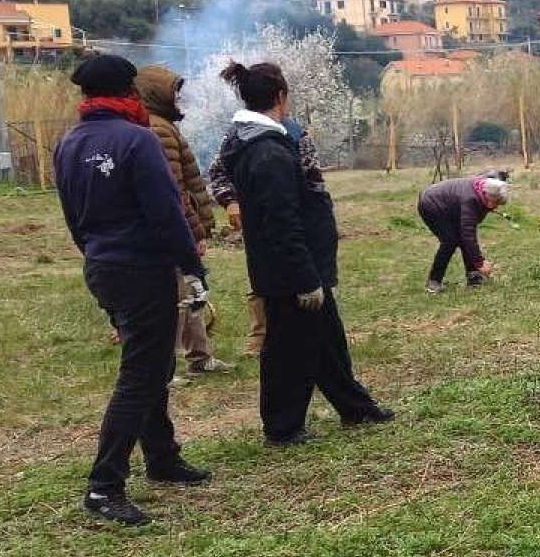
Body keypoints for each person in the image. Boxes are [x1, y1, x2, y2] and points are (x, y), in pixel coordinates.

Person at [54, 53, 212, 526]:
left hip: (102, 266)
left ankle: (162, 456)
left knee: (154, 363)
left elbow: (71, 217)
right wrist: (190, 264)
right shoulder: (137, 140)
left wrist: (97, 252)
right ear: (128, 93)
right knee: (141, 376)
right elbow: (166, 211)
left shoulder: (68, 143)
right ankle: (105, 486)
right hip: (143, 268)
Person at [217, 60, 390, 444]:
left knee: (327, 339)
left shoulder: (257, 143)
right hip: (291, 272)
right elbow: (282, 222)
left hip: (298, 267)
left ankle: (355, 408)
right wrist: (305, 279)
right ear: (280, 97)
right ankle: (282, 427)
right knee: (286, 351)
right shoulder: (268, 154)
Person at [134, 64, 231, 377]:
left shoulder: (160, 125)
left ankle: (199, 356)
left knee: (190, 292)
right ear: (157, 93)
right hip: (175, 230)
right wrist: (194, 229)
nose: (179, 99)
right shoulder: (157, 130)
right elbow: (174, 190)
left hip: (178, 226)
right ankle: (169, 366)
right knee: (178, 295)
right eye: (174, 92)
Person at [206, 112, 324, 356]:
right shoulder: (238, 136)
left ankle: (313, 334)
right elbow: (217, 172)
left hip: (293, 217)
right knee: (261, 277)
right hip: (257, 218)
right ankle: (260, 335)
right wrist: (230, 201)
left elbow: (313, 179)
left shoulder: (296, 135)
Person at [417, 170, 510, 294]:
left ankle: (473, 276)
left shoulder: (486, 188)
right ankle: (434, 282)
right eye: (496, 203)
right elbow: (468, 234)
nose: (496, 207)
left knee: (463, 238)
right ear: (488, 196)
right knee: (450, 241)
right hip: (431, 204)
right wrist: (480, 263)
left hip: (450, 206)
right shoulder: (470, 200)